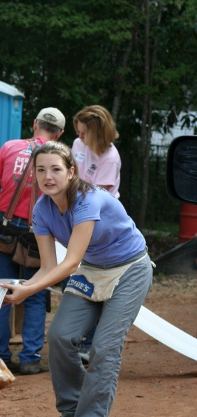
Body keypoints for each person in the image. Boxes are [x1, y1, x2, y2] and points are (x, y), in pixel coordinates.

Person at [1, 141, 152, 417]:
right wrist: (23, 286)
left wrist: (28, 290)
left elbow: (69, 263)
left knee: (105, 347)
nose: (48, 176)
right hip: (92, 269)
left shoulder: (87, 200)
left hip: (130, 269)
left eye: (56, 169)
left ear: (71, 172)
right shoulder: (41, 209)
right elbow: (47, 267)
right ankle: (72, 410)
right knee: (60, 335)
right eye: (40, 170)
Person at [0, 107, 65, 375]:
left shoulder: (9, 147)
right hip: (38, 236)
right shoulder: (59, 161)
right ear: (60, 133)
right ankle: (30, 358)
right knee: (34, 295)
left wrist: (9, 213)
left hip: (6, 232)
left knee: (1, 294)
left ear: (35, 125)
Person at [71, 105, 122, 360]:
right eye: (77, 133)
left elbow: (95, 197)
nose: (79, 138)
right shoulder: (78, 145)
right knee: (79, 279)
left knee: (97, 280)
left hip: (100, 223)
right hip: (76, 214)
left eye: (83, 134)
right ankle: (80, 338)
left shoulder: (110, 157)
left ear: (97, 134)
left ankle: (91, 344)